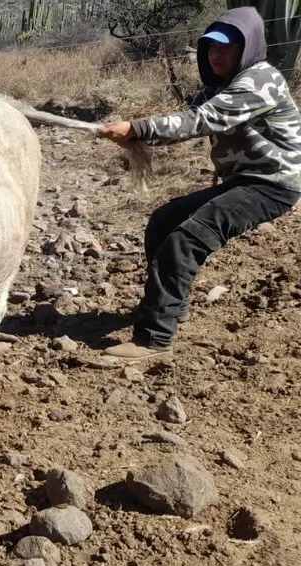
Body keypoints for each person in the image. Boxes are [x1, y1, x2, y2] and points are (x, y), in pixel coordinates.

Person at [95, 7, 301, 359]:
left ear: (247, 48)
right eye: (210, 47)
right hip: (244, 181)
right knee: (164, 222)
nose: (215, 54)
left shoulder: (260, 80)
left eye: (226, 47)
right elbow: (187, 121)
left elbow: (202, 121)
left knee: (185, 240)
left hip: (273, 184)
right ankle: (170, 308)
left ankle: (154, 340)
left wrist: (139, 128)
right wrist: (134, 136)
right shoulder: (220, 86)